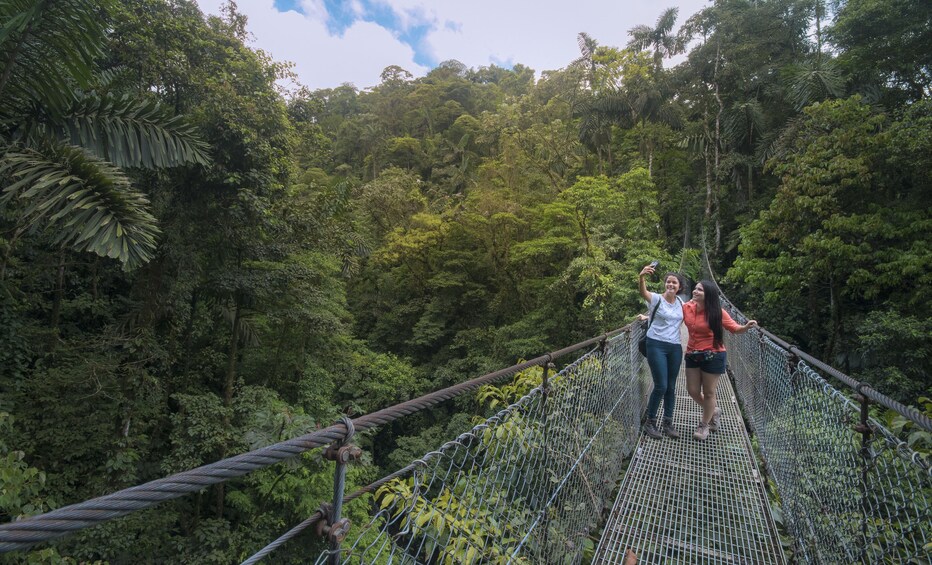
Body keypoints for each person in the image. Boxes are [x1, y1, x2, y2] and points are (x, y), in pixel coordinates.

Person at [682, 279, 757, 440]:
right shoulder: (686, 308)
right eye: (695, 289)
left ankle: (704, 425)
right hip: (692, 354)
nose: (695, 292)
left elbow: (734, 328)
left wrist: (745, 327)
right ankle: (714, 411)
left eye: (699, 290)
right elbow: (670, 315)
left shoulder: (718, 312)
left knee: (709, 392)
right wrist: (648, 317)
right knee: (693, 391)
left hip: (713, 355)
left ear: (708, 294)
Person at [638, 264, 686, 439]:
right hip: (656, 344)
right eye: (668, 282)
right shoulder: (657, 299)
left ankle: (668, 423)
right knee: (661, 385)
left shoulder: (682, 303)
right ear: (665, 284)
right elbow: (644, 293)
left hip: (674, 347)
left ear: (680, 287)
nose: (670, 285)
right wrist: (641, 277)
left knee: (671, 386)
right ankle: (650, 422)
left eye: (674, 283)